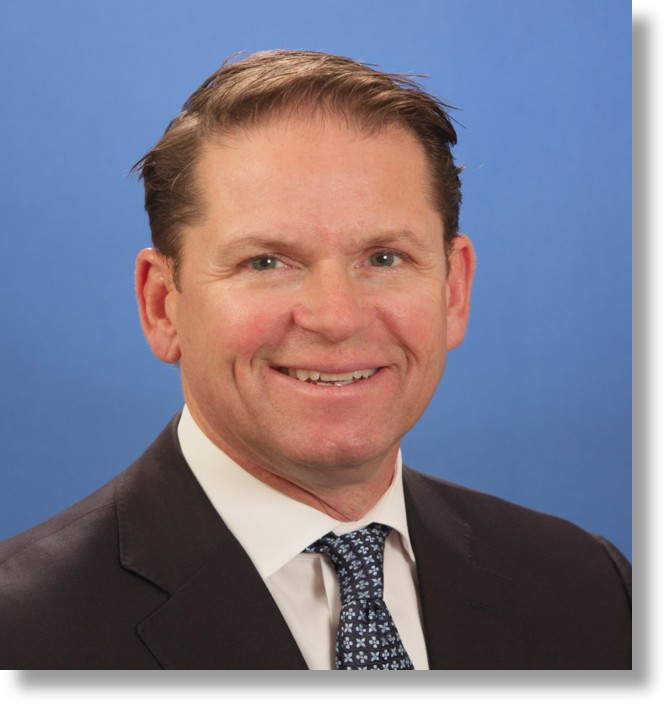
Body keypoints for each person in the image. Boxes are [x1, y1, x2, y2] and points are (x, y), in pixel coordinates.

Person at [0, 50, 630, 670]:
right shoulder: (21, 631)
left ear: (453, 290)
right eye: (265, 262)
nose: (336, 317)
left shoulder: (592, 588)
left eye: (384, 257)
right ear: (163, 305)